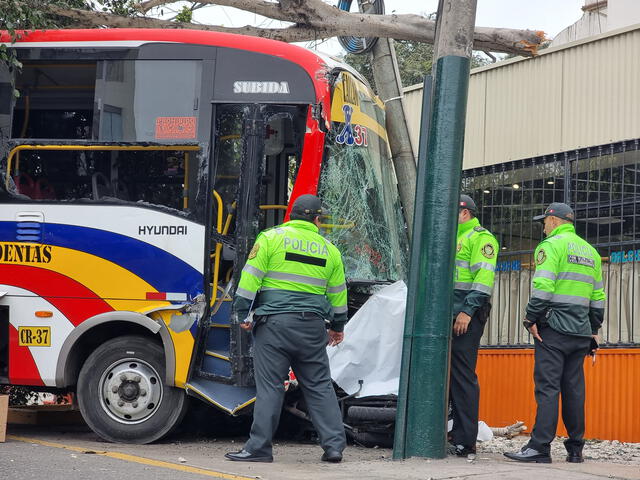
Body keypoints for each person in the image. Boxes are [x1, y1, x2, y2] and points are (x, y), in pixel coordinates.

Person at [225, 194, 348, 464]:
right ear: (317, 220)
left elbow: (250, 278)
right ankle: (334, 447)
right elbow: (339, 295)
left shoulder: (271, 238)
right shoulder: (330, 250)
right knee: (318, 386)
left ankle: (259, 449)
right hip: (313, 327)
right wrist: (337, 327)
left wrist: (242, 313)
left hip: (274, 326)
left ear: (291, 215)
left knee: (270, 387)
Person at [504, 202, 605, 464]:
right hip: (580, 331)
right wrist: (594, 330)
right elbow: (597, 297)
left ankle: (539, 448)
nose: (543, 226)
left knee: (548, 388)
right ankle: (575, 449)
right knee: (574, 389)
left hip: (554, 328)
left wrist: (530, 317)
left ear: (556, 221)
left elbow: (544, 286)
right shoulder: (591, 252)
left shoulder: (550, 247)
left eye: (545, 221)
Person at [449, 194, 499, 457]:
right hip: (449, 310)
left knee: (462, 375)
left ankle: (465, 440)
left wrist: (467, 311)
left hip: (466, 312)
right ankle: (450, 432)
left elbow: (483, 280)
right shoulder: (454, 237)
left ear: (464, 213)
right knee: (444, 375)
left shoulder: (481, 238)